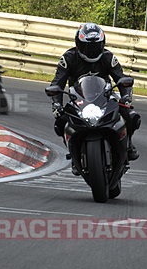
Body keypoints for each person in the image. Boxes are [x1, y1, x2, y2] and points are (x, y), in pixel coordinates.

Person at [50, 23, 141, 173]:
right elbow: (57, 83)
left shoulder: (108, 57)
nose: (91, 50)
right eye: (87, 47)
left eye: (95, 46)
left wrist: (125, 97)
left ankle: (129, 145)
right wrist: (56, 104)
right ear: (78, 44)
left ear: (102, 44)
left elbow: (121, 78)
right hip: (79, 98)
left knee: (131, 115)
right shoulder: (68, 58)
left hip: (105, 96)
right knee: (60, 122)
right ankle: (74, 156)